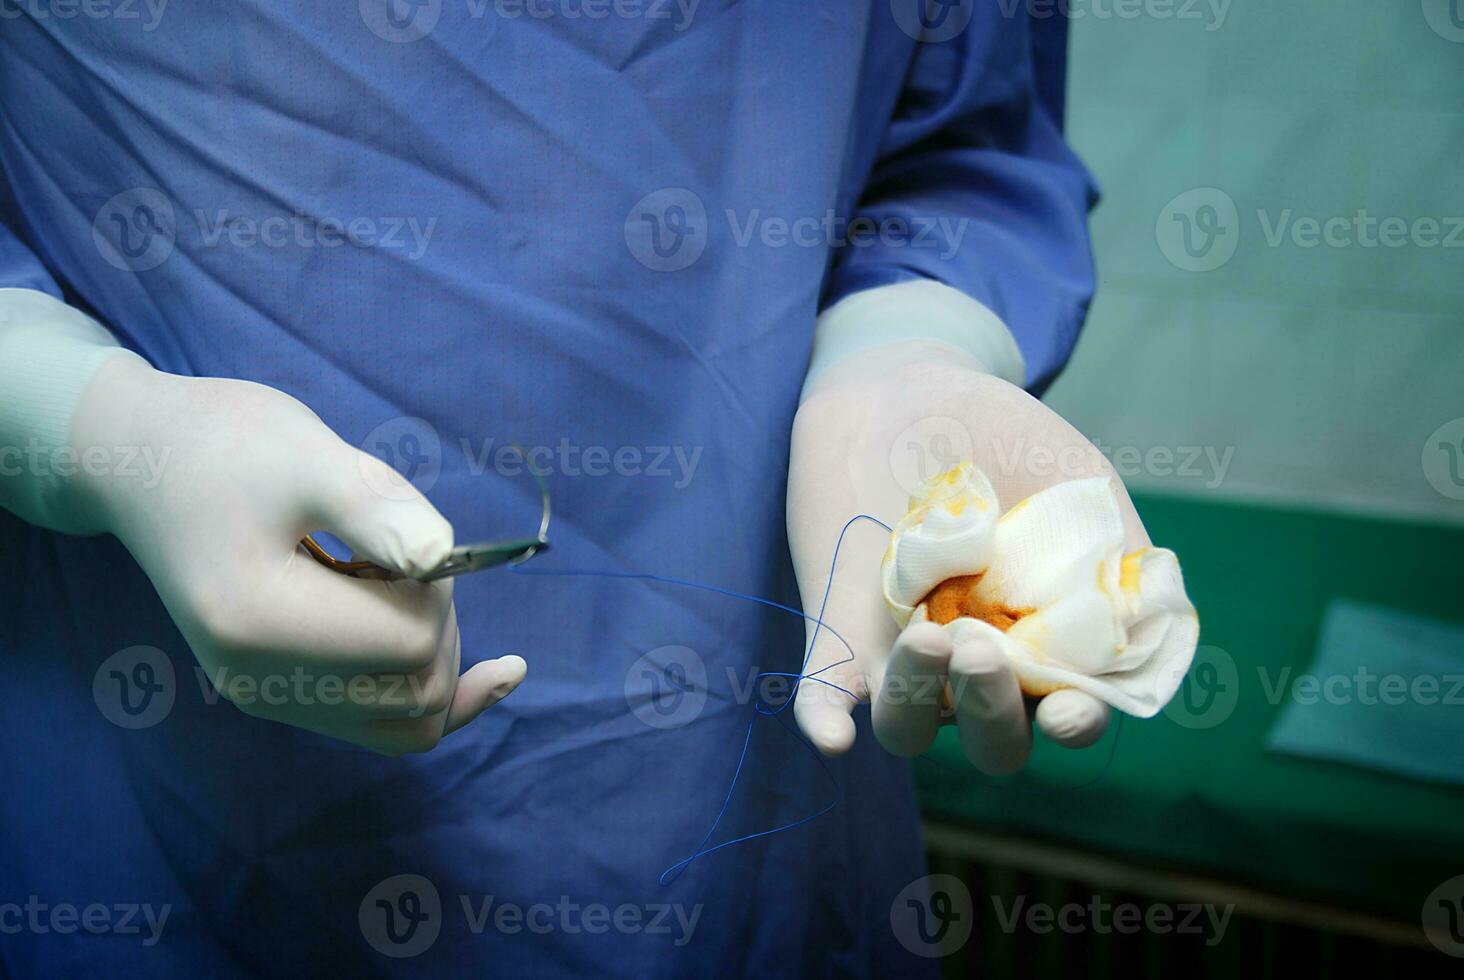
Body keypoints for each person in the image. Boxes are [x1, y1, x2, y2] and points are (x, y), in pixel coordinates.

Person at [0, 3, 1153, 974]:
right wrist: (94, 426)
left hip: (746, 827)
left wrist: (908, 355)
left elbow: (958, 157)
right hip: (159, 826)